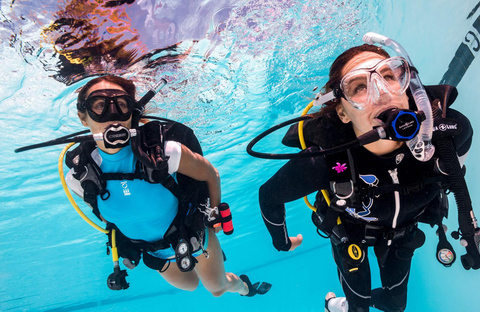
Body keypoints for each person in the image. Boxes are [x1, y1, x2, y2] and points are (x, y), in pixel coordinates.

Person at [257, 43, 475, 311]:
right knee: (358, 309)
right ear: (342, 112)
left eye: (388, 77)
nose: (382, 94)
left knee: (396, 305)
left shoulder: (452, 133)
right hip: (351, 233)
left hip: (403, 231)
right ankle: (337, 305)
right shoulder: (323, 161)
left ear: (407, 88)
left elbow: (453, 178)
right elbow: (268, 196)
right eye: (359, 87)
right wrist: (282, 243)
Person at [65, 75, 270, 297]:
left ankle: (245, 287)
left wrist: (213, 213)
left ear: (132, 112)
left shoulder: (163, 153)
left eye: (121, 105)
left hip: (192, 236)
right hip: (154, 253)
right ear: (83, 117)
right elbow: (107, 214)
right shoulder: (79, 176)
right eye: (99, 106)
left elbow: (212, 174)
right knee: (190, 285)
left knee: (217, 289)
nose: (112, 115)